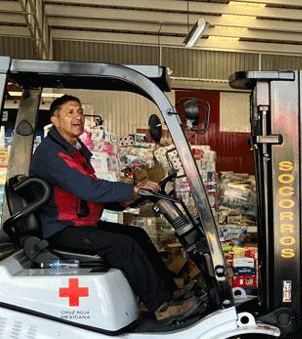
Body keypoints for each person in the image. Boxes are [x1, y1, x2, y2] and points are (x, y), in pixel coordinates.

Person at [30, 95, 200, 322]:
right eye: (70, 112)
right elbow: (87, 188)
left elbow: (83, 193)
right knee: (124, 246)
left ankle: (169, 291)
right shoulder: (53, 154)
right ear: (55, 120)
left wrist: (122, 201)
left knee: (136, 234)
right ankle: (162, 307)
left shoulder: (73, 150)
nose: (77, 116)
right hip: (60, 229)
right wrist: (132, 190)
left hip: (76, 223)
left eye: (79, 111)